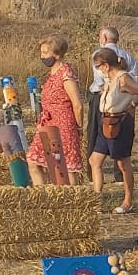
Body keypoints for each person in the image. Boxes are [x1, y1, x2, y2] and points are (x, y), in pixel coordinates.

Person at [89, 47, 138, 213]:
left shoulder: (123, 79)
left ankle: (128, 200)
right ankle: (97, 201)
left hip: (119, 124)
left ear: (106, 65)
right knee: (95, 161)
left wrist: (132, 104)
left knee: (123, 164)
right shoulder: (110, 79)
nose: (98, 70)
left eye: (98, 66)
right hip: (106, 122)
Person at [31, 35, 87, 186]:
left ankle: (72, 200)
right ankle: (44, 198)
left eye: (45, 53)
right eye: (41, 53)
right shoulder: (51, 74)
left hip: (64, 124)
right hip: (47, 123)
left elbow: (77, 104)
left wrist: (79, 126)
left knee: (66, 166)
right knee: (33, 161)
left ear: (56, 54)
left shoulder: (66, 73)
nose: (42, 56)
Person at [84, 26, 137, 162]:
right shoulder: (127, 56)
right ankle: (119, 173)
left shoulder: (99, 54)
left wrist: (109, 88)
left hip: (102, 96)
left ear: (104, 38)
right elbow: (135, 78)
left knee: (95, 132)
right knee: (119, 132)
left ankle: (92, 169)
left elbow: (99, 79)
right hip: (124, 98)